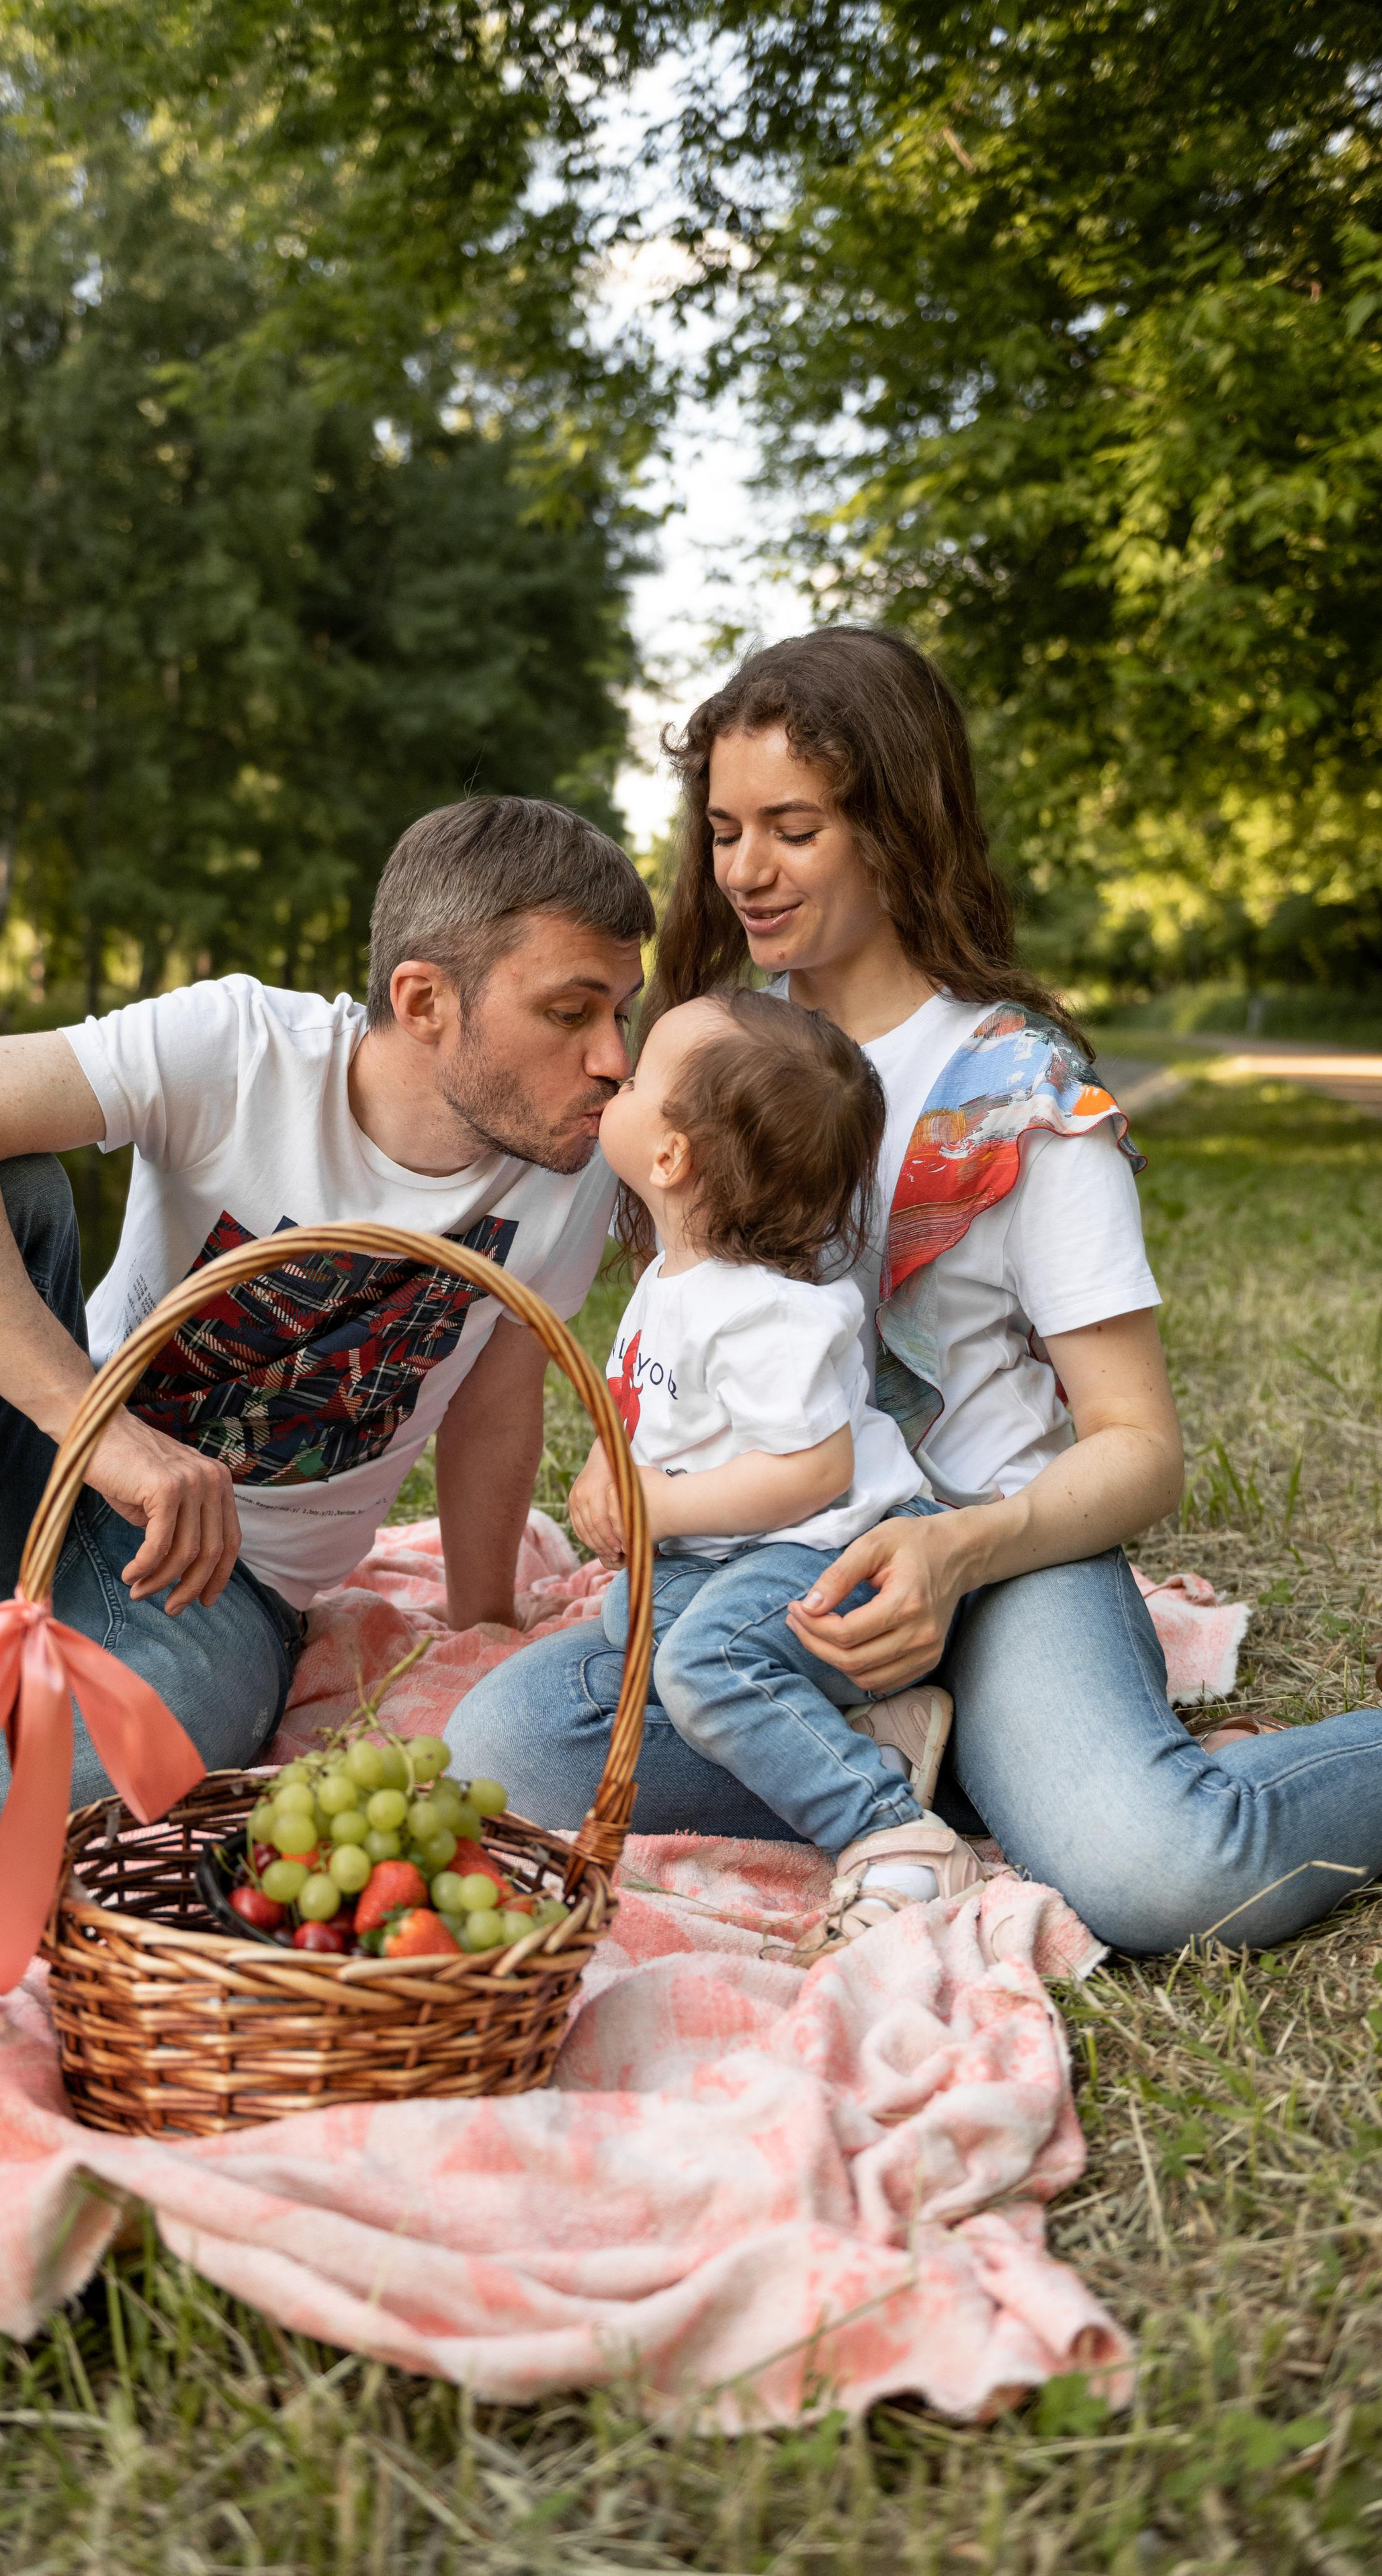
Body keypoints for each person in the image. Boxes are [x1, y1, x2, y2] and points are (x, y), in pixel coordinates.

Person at [447, 629, 1382, 1956]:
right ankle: (928, 1766)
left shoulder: (1019, 1094)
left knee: (1158, 1874)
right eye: (723, 829)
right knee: (507, 1751)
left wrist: (951, 1555)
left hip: (996, 1565)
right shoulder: (711, 1056)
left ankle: (1028, 1766)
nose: (745, 870)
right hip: (767, 1589)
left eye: (792, 826)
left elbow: (1139, 1449)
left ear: (894, 824)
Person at [0, 796, 652, 1892]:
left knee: (145, 1758)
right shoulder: (239, 1048)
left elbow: (492, 1400)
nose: (614, 1058)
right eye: (573, 1010)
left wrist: (482, 1625)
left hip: (225, 1588)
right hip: (41, 1487)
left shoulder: (572, 1173)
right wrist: (105, 1436)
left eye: (623, 1011)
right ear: (424, 999)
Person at [574, 986, 988, 1946]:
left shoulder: (770, 1311)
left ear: (670, 1156)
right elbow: (635, 1394)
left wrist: (660, 1507)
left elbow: (812, 1471)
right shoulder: (669, 1278)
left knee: (703, 1660)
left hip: (835, 1549)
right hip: (744, 1551)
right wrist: (610, 1463)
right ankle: (870, 1727)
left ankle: (893, 1829)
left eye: (634, 1081)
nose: (613, 1079)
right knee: (622, 1615)